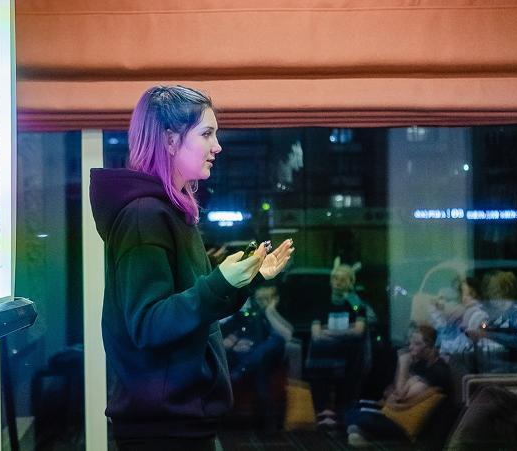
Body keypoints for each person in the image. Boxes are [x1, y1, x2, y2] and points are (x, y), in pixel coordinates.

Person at [89, 85, 295, 451]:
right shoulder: (143, 217)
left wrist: (244, 279)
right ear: (170, 140)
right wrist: (220, 283)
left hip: (180, 418)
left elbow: (193, 306)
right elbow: (148, 324)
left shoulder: (169, 212)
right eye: (206, 133)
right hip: (162, 428)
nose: (217, 146)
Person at [346, 325, 452, 448]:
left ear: (430, 346)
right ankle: (361, 436)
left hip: (407, 424)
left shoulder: (437, 371)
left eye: (416, 344)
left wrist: (403, 364)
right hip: (398, 414)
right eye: (410, 343)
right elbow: (395, 391)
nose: (411, 347)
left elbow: (401, 396)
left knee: (359, 419)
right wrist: (402, 373)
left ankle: (362, 436)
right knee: (351, 411)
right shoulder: (421, 364)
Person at [220, 282, 294, 430]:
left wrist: (270, 311)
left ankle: (241, 370)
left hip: (272, 357)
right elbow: (227, 334)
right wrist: (236, 344)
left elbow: (287, 336)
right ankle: (267, 421)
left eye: (266, 299)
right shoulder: (249, 315)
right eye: (259, 299)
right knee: (259, 368)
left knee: (276, 339)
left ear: (275, 299)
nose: (262, 303)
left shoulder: (280, 312)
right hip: (253, 359)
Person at [306, 263, 370, 427]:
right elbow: (316, 335)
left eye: (343, 279)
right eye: (335, 278)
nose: (338, 282)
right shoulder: (322, 304)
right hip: (325, 355)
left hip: (348, 355)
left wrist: (328, 331)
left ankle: (343, 413)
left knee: (352, 361)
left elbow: (358, 331)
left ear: (351, 283)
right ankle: (324, 412)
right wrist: (345, 332)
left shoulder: (356, 305)